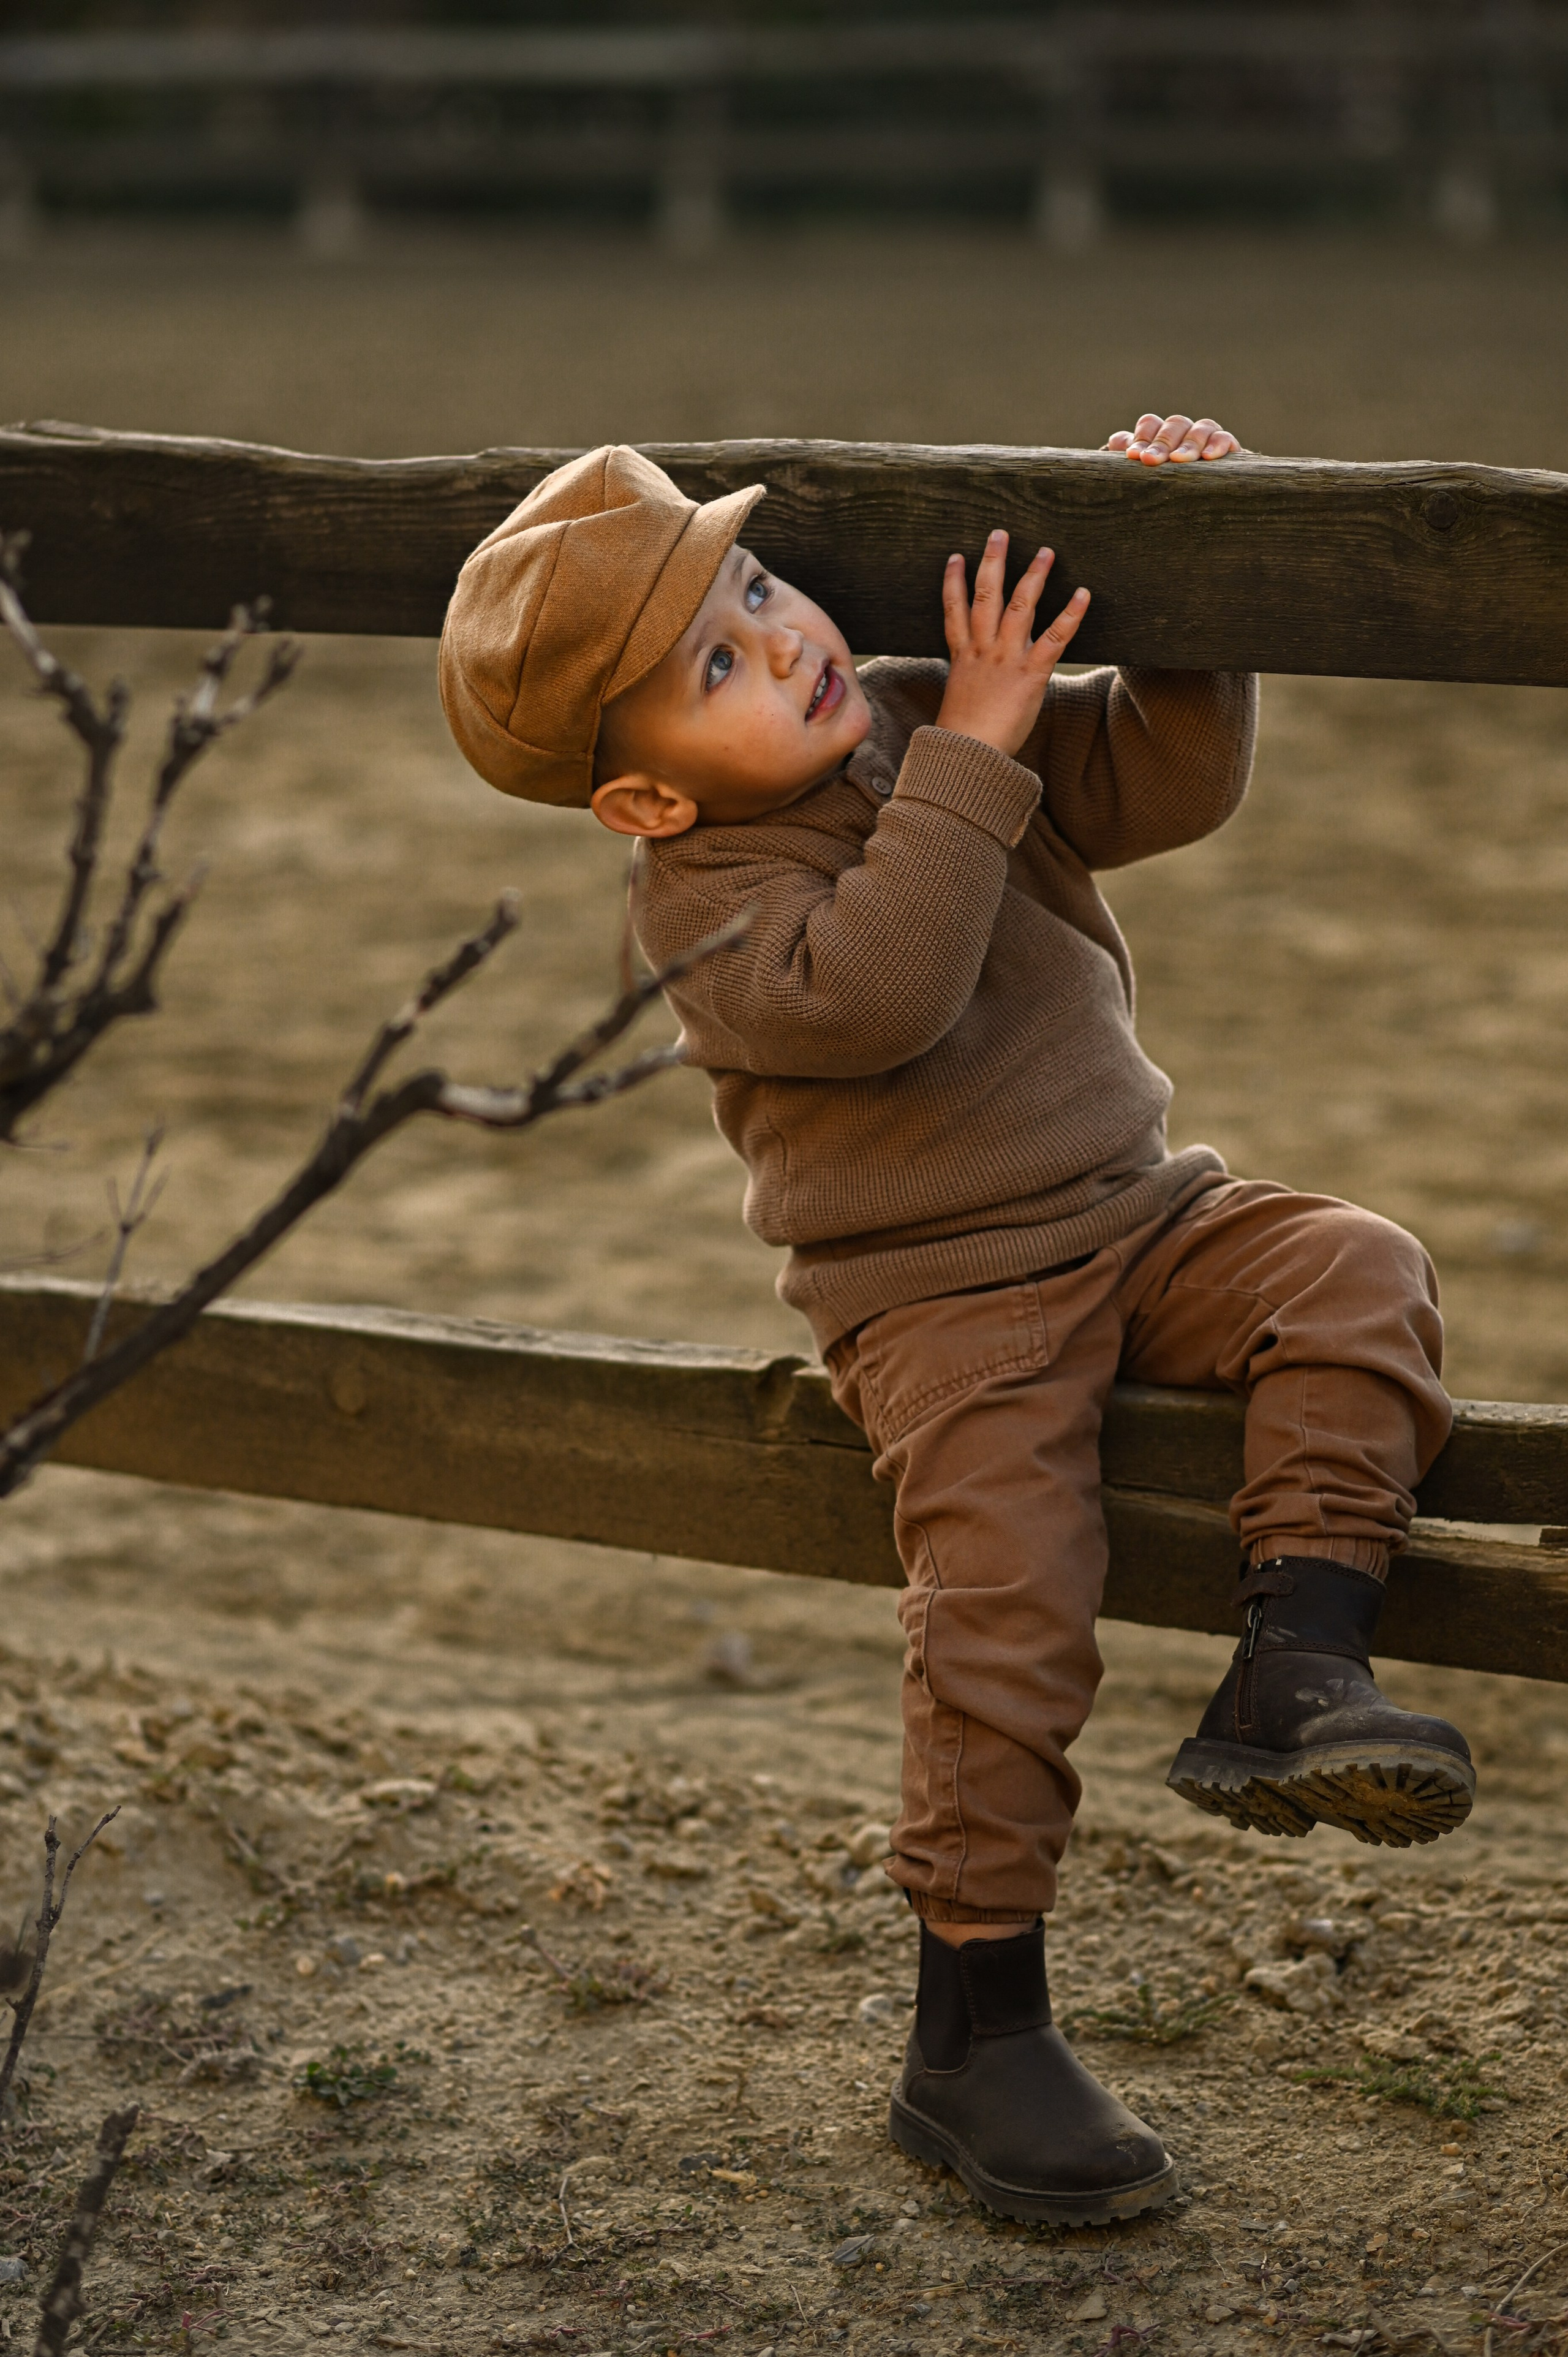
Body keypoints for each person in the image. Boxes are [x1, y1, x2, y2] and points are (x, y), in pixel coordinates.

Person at [437, 416, 1474, 2227]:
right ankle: (976, 2033)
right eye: (717, 664)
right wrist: (980, 744)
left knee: (1359, 1268)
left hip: (1141, 1217)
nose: (787, 641)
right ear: (648, 797)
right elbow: (886, 991)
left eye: (756, 589)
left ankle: (1298, 1656)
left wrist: (1183, 612)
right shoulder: (705, 905)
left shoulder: (918, 706)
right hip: (941, 1304)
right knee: (1003, 1593)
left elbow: (1158, 784)